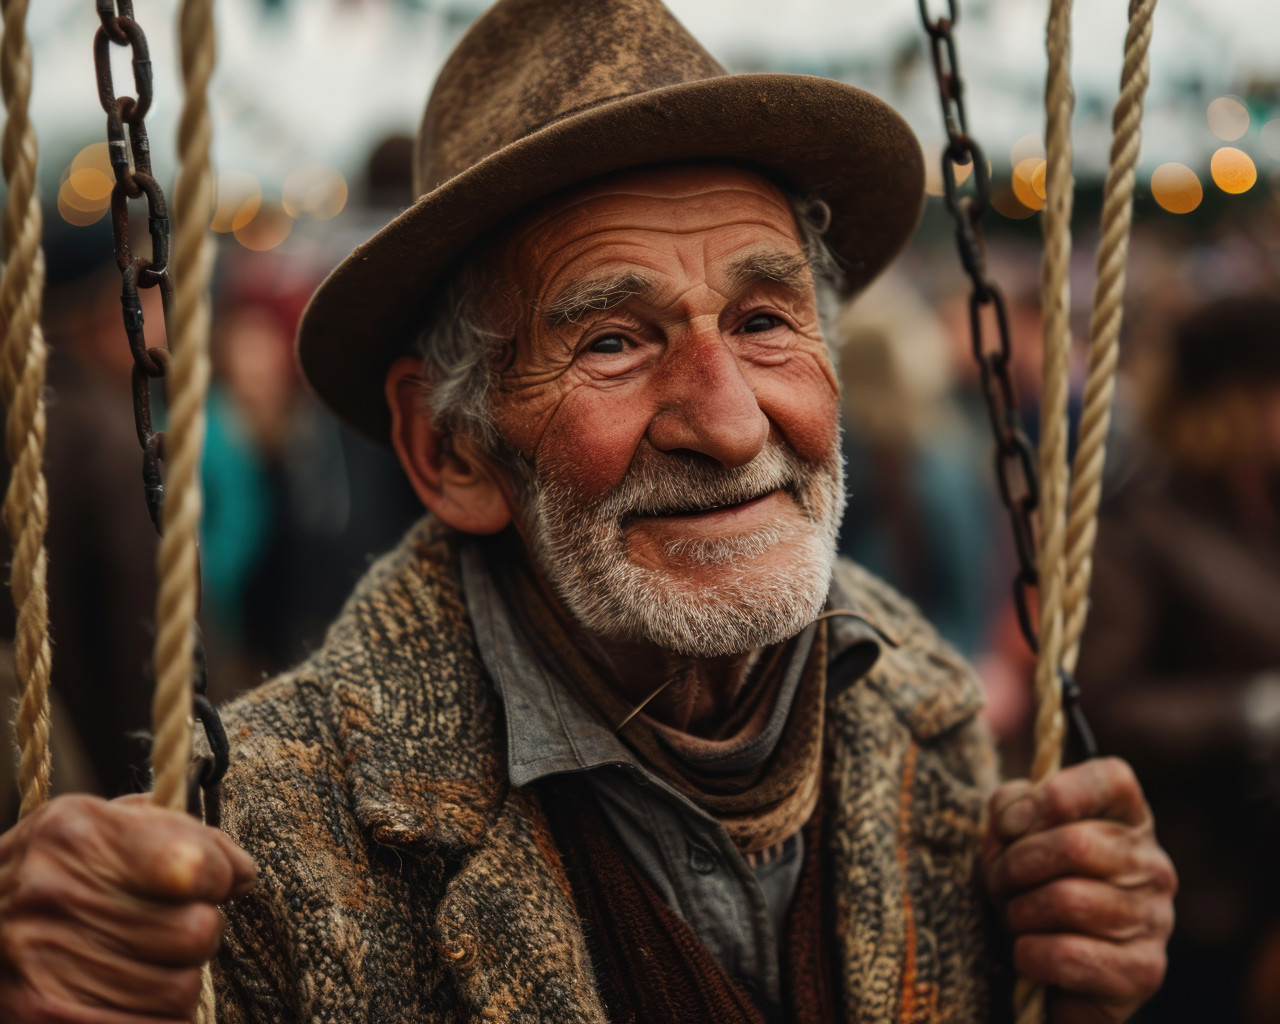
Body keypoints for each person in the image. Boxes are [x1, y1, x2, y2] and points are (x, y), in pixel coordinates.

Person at [0, 2, 1174, 1022]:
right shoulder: (261, 848)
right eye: (612, 340)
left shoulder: (928, 718)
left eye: (765, 321)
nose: (726, 423)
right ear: (449, 448)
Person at [1077, 293, 1280, 1024]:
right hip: (1196, 888)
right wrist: (1251, 709)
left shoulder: (1262, 506)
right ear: (1235, 402)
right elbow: (1100, 707)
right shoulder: (1141, 524)